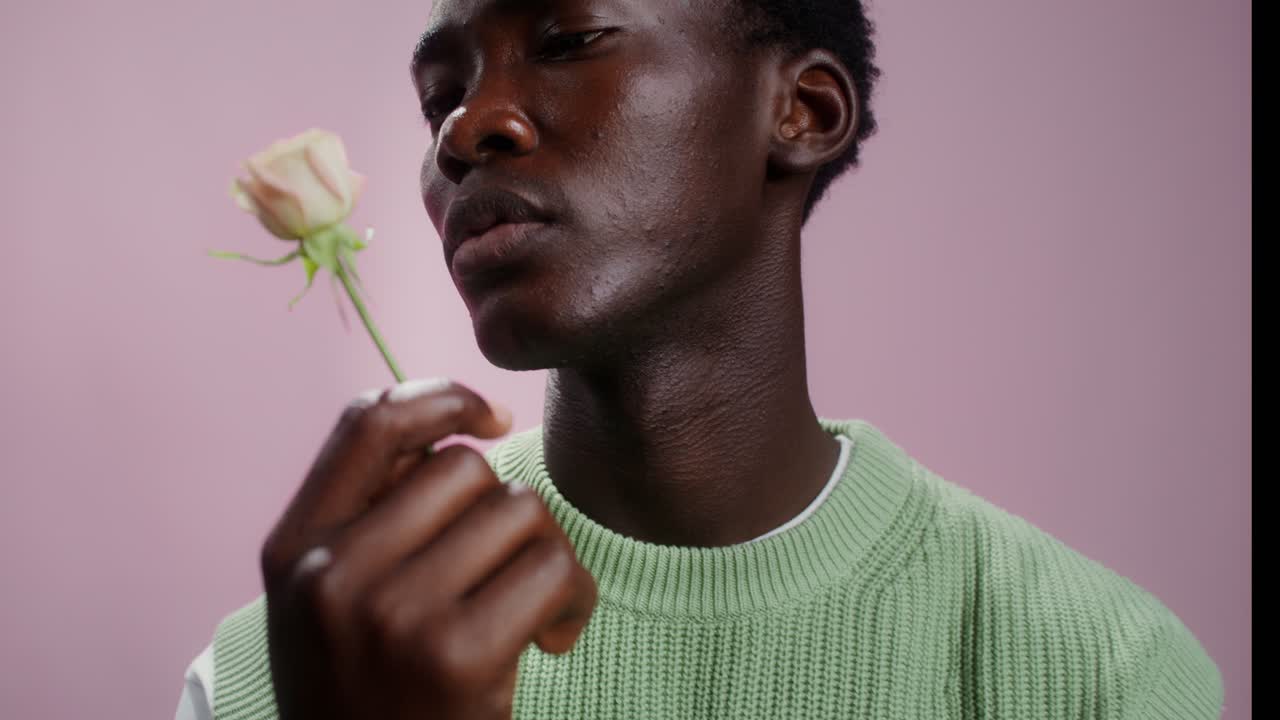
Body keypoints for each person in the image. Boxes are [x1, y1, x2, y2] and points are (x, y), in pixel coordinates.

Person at [175, 1, 1226, 718]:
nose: (465, 129)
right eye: (437, 96)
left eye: (568, 38)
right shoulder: (297, 667)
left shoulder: (1099, 672)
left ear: (802, 112)